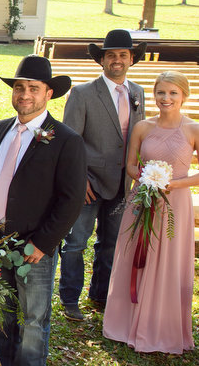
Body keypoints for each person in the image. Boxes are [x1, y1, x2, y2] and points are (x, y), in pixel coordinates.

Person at [0, 56, 87, 366]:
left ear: (48, 93)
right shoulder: (0, 129)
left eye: (33, 88)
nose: (25, 94)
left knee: (33, 320)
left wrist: (43, 244)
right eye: (19, 87)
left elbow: (71, 200)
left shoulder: (66, 140)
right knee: (1, 310)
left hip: (34, 248)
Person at [103, 71, 199, 354]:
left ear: (184, 96)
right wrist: (146, 179)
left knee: (168, 260)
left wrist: (172, 184)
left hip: (176, 204)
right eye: (161, 92)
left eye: (173, 93)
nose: (166, 98)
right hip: (142, 199)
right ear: (154, 94)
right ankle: (126, 323)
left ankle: (161, 327)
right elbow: (130, 165)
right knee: (135, 255)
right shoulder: (142, 127)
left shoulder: (196, 130)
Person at [58, 29, 146, 320]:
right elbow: (69, 142)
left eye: (123, 55)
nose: (117, 60)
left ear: (131, 59)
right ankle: (70, 298)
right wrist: (79, 179)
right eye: (111, 55)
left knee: (110, 244)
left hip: (123, 184)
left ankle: (100, 295)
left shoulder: (137, 93)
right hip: (90, 182)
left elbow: (138, 136)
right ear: (102, 60)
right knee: (76, 243)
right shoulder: (83, 93)